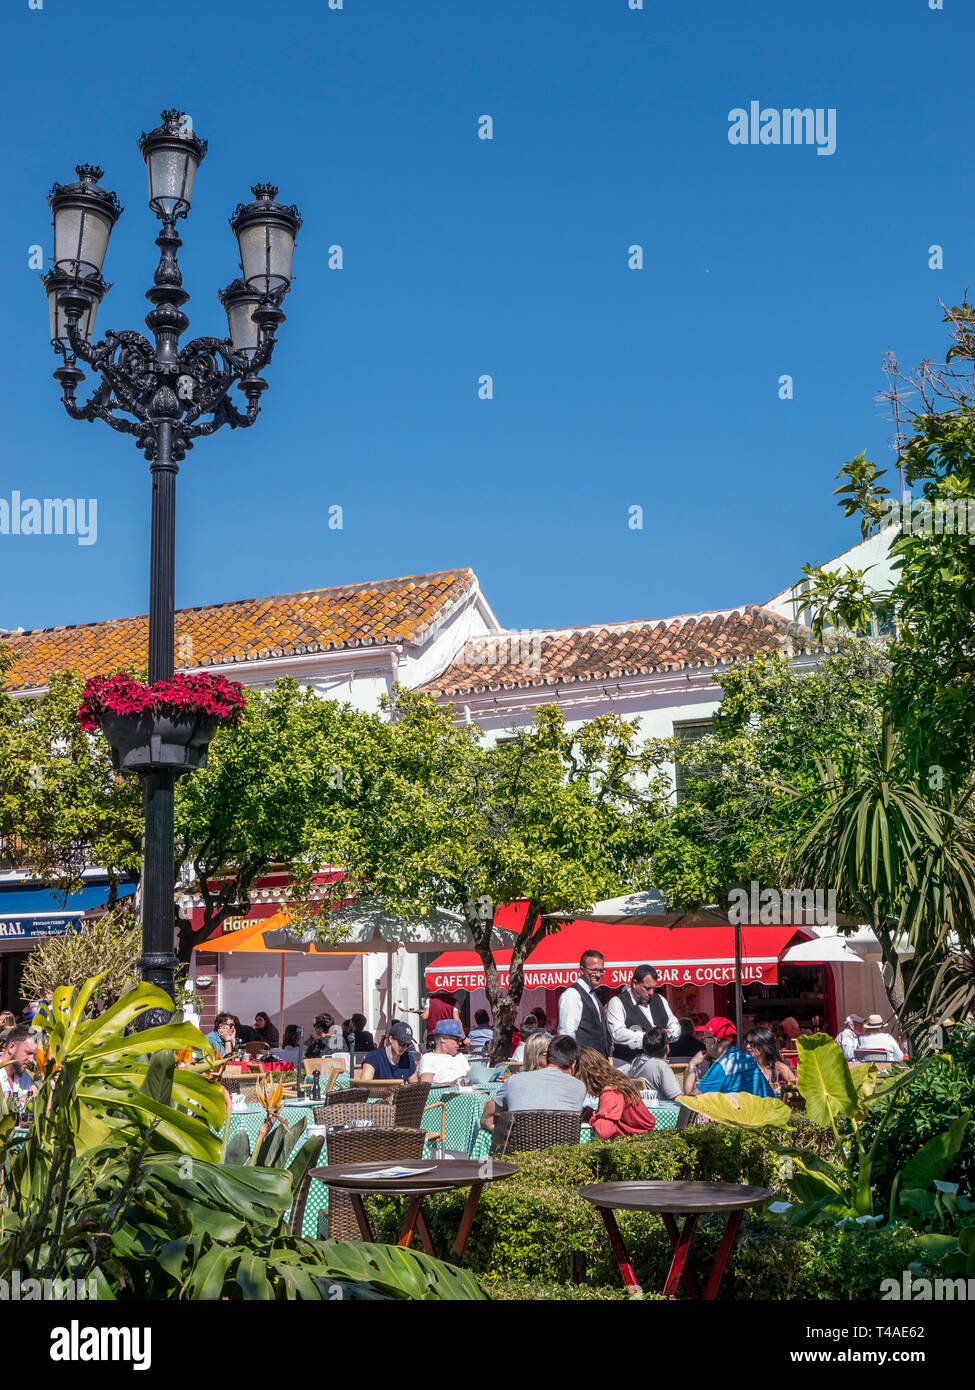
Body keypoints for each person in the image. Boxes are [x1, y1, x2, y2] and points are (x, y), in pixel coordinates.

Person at [480, 1034, 586, 1131]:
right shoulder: (580, 1087)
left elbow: (486, 1120)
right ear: (574, 1064)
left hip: (519, 1150)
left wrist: (508, 1134)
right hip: (563, 1151)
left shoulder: (514, 1081)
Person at [606, 963, 680, 1069]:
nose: (651, 992)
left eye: (654, 988)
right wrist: (650, 1038)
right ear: (635, 983)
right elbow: (618, 1033)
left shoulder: (660, 999)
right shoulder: (617, 1002)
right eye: (647, 988)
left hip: (659, 1066)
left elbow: (675, 1024)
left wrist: (670, 1033)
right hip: (629, 1066)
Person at [576, 1046, 656, 1138]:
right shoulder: (617, 1083)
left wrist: (594, 1117)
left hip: (634, 1144)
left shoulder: (610, 1093)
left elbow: (603, 1131)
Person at [684, 1016, 773, 1097]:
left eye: (705, 1038)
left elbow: (691, 1099)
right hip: (769, 1110)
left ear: (715, 1041)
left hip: (754, 1113)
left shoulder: (723, 1065)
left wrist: (692, 1064)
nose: (704, 1043)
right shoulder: (746, 1057)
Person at [556, 950, 612, 1057]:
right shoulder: (573, 994)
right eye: (594, 970)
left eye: (601, 970)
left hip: (597, 1063)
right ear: (582, 969)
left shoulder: (592, 995)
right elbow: (567, 1034)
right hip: (583, 1064)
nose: (598, 974)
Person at [628, 1027, 682, 1102]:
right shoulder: (661, 1066)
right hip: (663, 1111)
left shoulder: (637, 1062)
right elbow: (678, 1098)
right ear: (667, 1047)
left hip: (645, 1109)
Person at [417, 1018, 470, 1085]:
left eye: (460, 1040)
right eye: (457, 1039)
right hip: (442, 1094)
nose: (460, 1043)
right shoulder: (429, 1058)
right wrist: (451, 1084)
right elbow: (425, 1085)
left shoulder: (460, 1056)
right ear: (443, 1038)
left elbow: (471, 1077)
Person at [0, 1026, 38, 1102]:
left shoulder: (25, 1077)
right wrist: (27, 1097)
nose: (31, 1059)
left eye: (33, 1054)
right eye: (28, 1053)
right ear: (12, 1047)